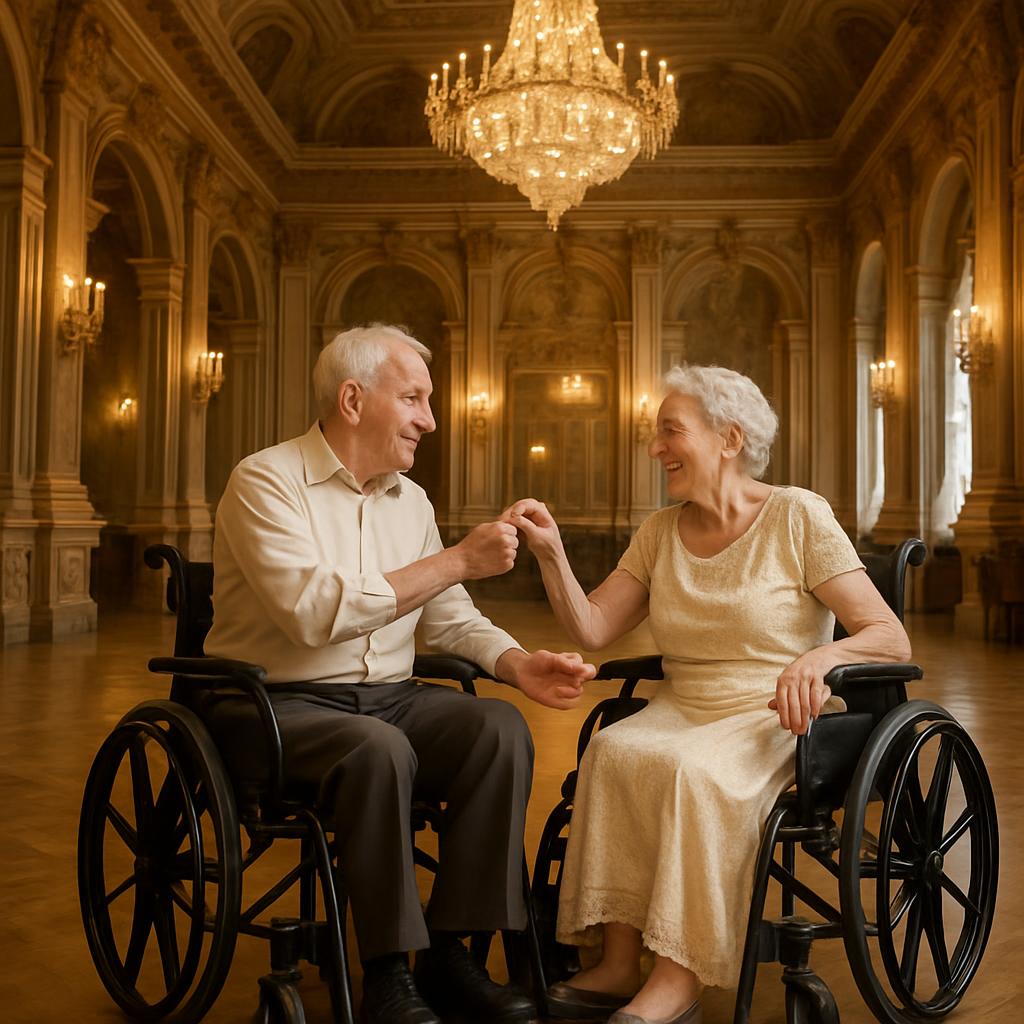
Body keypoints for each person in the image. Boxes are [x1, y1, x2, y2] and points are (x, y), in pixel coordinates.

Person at [204, 323, 596, 1024]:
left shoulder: (409, 501)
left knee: (497, 728)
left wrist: (517, 664)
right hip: (274, 706)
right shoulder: (265, 480)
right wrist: (456, 559)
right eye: (414, 398)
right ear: (353, 400)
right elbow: (311, 612)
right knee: (377, 749)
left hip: (388, 698)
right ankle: (386, 972)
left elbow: (448, 618)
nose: (431, 420)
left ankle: (451, 956)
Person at [505, 364, 912, 1024]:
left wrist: (821, 656)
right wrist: (551, 552)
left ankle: (680, 975)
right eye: (656, 434)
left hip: (774, 713)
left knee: (692, 773)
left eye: (671, 432)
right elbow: (593, 626)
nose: (655, 448)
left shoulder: (796, 515)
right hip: (684, 702)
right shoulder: (660, 532)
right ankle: (616, 961)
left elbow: (888, 636)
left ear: (729, 437)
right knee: (613, 753)